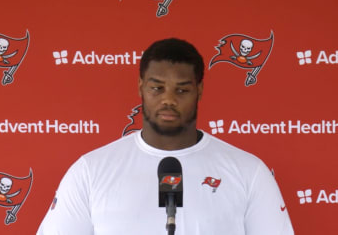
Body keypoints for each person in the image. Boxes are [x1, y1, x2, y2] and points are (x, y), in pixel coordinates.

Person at [37, 38, 294, 235]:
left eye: (181, 89)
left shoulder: (248, 171)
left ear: (199, 90)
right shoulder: (91, 171)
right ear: (140, 87)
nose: (168, 99)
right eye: (157, 88)